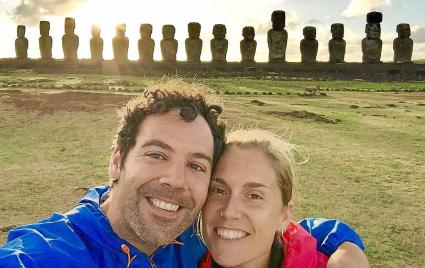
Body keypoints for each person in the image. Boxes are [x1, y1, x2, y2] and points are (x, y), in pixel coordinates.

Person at [0, 80, 365, 267]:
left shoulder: (193, 235)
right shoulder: (46, 255)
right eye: (157, 154)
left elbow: (302, 230)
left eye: (196, 165)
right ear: (117, 161)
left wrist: (345, 249)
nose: (176, 181)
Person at [199, 128, 369, 268]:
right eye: (219, 191)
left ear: (284, 216)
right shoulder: (186, 256)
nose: (230, 211)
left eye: (254, 195)